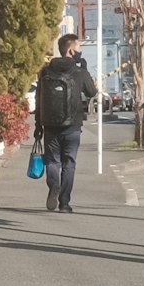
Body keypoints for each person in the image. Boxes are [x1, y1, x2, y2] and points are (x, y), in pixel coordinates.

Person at [34, 32, 97, 212]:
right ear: (70, 50)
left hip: (50, 125)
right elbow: (92, 92)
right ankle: (64, 203)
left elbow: (40, 99)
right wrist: (85, 69)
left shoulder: (45, 71)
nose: (80, 51)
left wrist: (38, 125)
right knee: (69, 163)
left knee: (52, 162)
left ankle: (54, 185)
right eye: (78, 48)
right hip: (73, 126)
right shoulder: (79, 72)